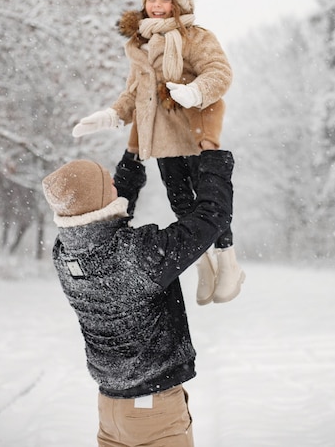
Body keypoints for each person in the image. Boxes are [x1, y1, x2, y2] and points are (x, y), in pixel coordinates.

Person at [72, 0, 245, 305]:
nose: (157, 5)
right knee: (181, 202)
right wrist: (110, 115)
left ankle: (228, 260)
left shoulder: (196, 37)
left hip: (196, 131)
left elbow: (219, 72)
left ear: (179, 4)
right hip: (163, 136)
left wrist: (194, 91)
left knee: (208, 201)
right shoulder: (140, 44)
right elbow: (134, 94)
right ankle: (203, 264)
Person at [42, 148, 235, 447]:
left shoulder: (66, 254)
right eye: (108, 182)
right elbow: (212, 216)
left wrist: (133, 157)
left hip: (110, 410)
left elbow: (100, 219)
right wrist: (213, 158)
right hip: (152, 411)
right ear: (99, 198)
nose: (115, 185)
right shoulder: (139, 255)